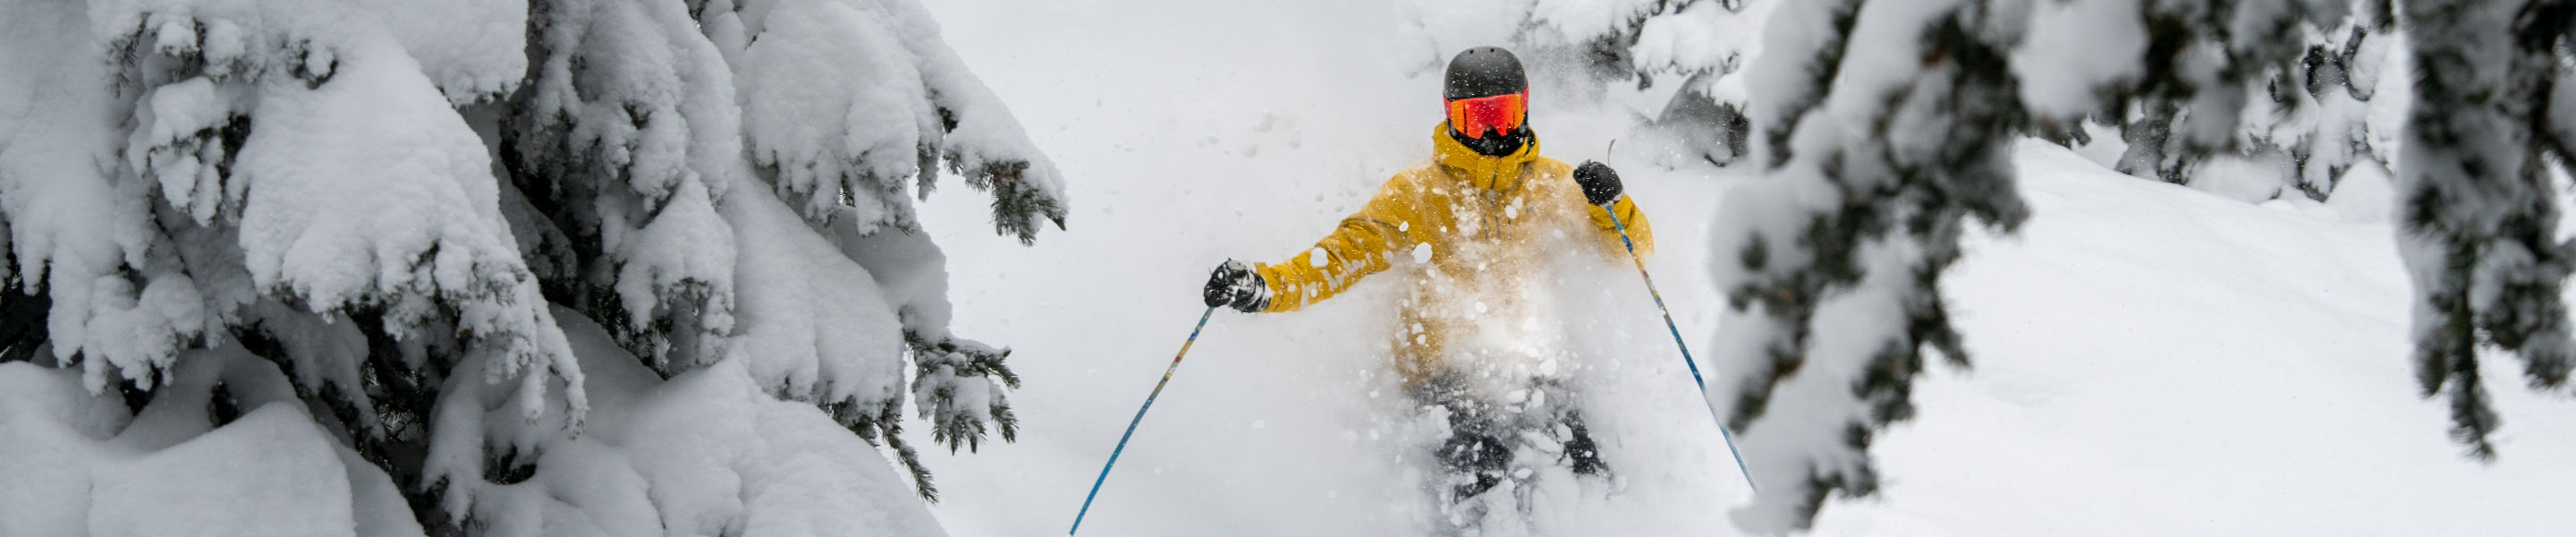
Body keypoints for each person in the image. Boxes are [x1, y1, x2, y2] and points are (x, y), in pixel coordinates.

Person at [1199, 47, 1655, 506]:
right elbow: (1343, 255)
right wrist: (1267, 288)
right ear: (1451, 117)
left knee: (1582, 468)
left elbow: (1632, 255)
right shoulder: (1417, 193)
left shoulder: (1557, 183)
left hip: (1533, 362)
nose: (1493, 131)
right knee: (1486, 475)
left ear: (1525, 107)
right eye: (1477, 118)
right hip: (1445, 372)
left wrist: (1612, 207)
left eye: (1503, 114)